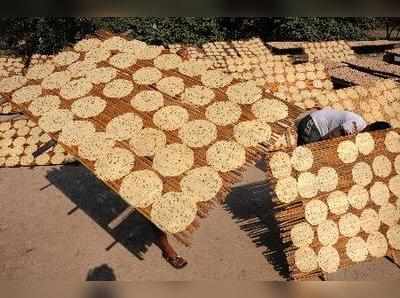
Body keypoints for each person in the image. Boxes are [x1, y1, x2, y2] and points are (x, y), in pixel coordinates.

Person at [297, 107, 392, 145]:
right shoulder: (357, 124)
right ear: (372, 130)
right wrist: (321, 147)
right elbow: (332, 135)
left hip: (315, 126)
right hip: (312, 125)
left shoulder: (360, 130)